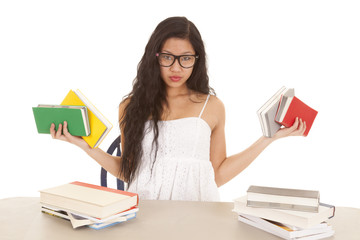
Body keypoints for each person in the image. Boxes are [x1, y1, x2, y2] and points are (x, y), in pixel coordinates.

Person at [51, 16, 306, 201]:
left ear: (197, 60)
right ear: (155, 57)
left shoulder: (212, 107)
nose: (176, 68)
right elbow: (129, 170)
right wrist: (85, 146)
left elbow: (216, 175)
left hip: (197, 212)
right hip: (145, 212)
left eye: (186, 58)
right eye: (167, 57)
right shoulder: (130, 106)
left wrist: (267, 139)